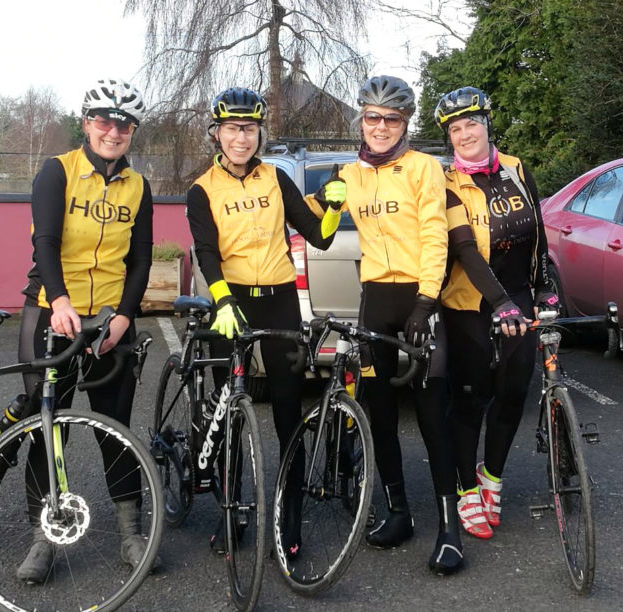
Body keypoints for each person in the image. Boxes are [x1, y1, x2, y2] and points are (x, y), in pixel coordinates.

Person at [309, 75, 463, 574]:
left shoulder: (423, 169)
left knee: (431, 410)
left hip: (419, 301)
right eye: (371, 117)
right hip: (375, 299)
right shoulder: (348, 174)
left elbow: (435, 236)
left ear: (405, 124)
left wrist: (427, 299)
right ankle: (398, 512)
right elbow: (309, 224)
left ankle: (448, 527)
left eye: (391, 118)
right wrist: (327, 203)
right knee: (379, 412)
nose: (379, 126)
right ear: (361, 119)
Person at [186, 87, 344, 556]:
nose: (242, 137)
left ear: (260, 134)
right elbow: (206, 251)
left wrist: (333, 207)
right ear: (217, 133)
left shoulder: (276, 179)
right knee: (230, 409)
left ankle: (289, 519)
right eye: (233, 128)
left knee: (288, 412)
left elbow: (318, 235)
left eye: (250, 129)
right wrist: (221, 301)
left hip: (277, 299)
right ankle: (231, 512)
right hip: (228, 299)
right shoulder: (202, 189)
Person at [17, 78, 154, 582]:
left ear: (132, 131)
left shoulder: (137, 186)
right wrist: (58, 300)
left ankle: (131, 535)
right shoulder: (57, 172)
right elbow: (46, 243)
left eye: (123, 124)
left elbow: (140, 261)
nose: (113, 131)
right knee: (46, 429)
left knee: (116, 430)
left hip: (110, 321)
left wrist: (123, 315)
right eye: (104, 120)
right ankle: (42, 539)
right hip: (53, 313)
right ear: (86, 124)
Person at [434, 87, 558, 539]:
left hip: (519, 298)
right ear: (448, 138)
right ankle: (466, 488)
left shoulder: (516, 169)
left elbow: (538, 234)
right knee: (470, 400)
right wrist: (499, 302)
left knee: (511, 394)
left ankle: (492, 478)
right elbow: (465, 249)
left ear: (488, 123)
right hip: (468, 304)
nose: (465, 134)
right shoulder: (446, 182)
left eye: (472, 123)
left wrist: (545, 286)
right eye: (455, 129)